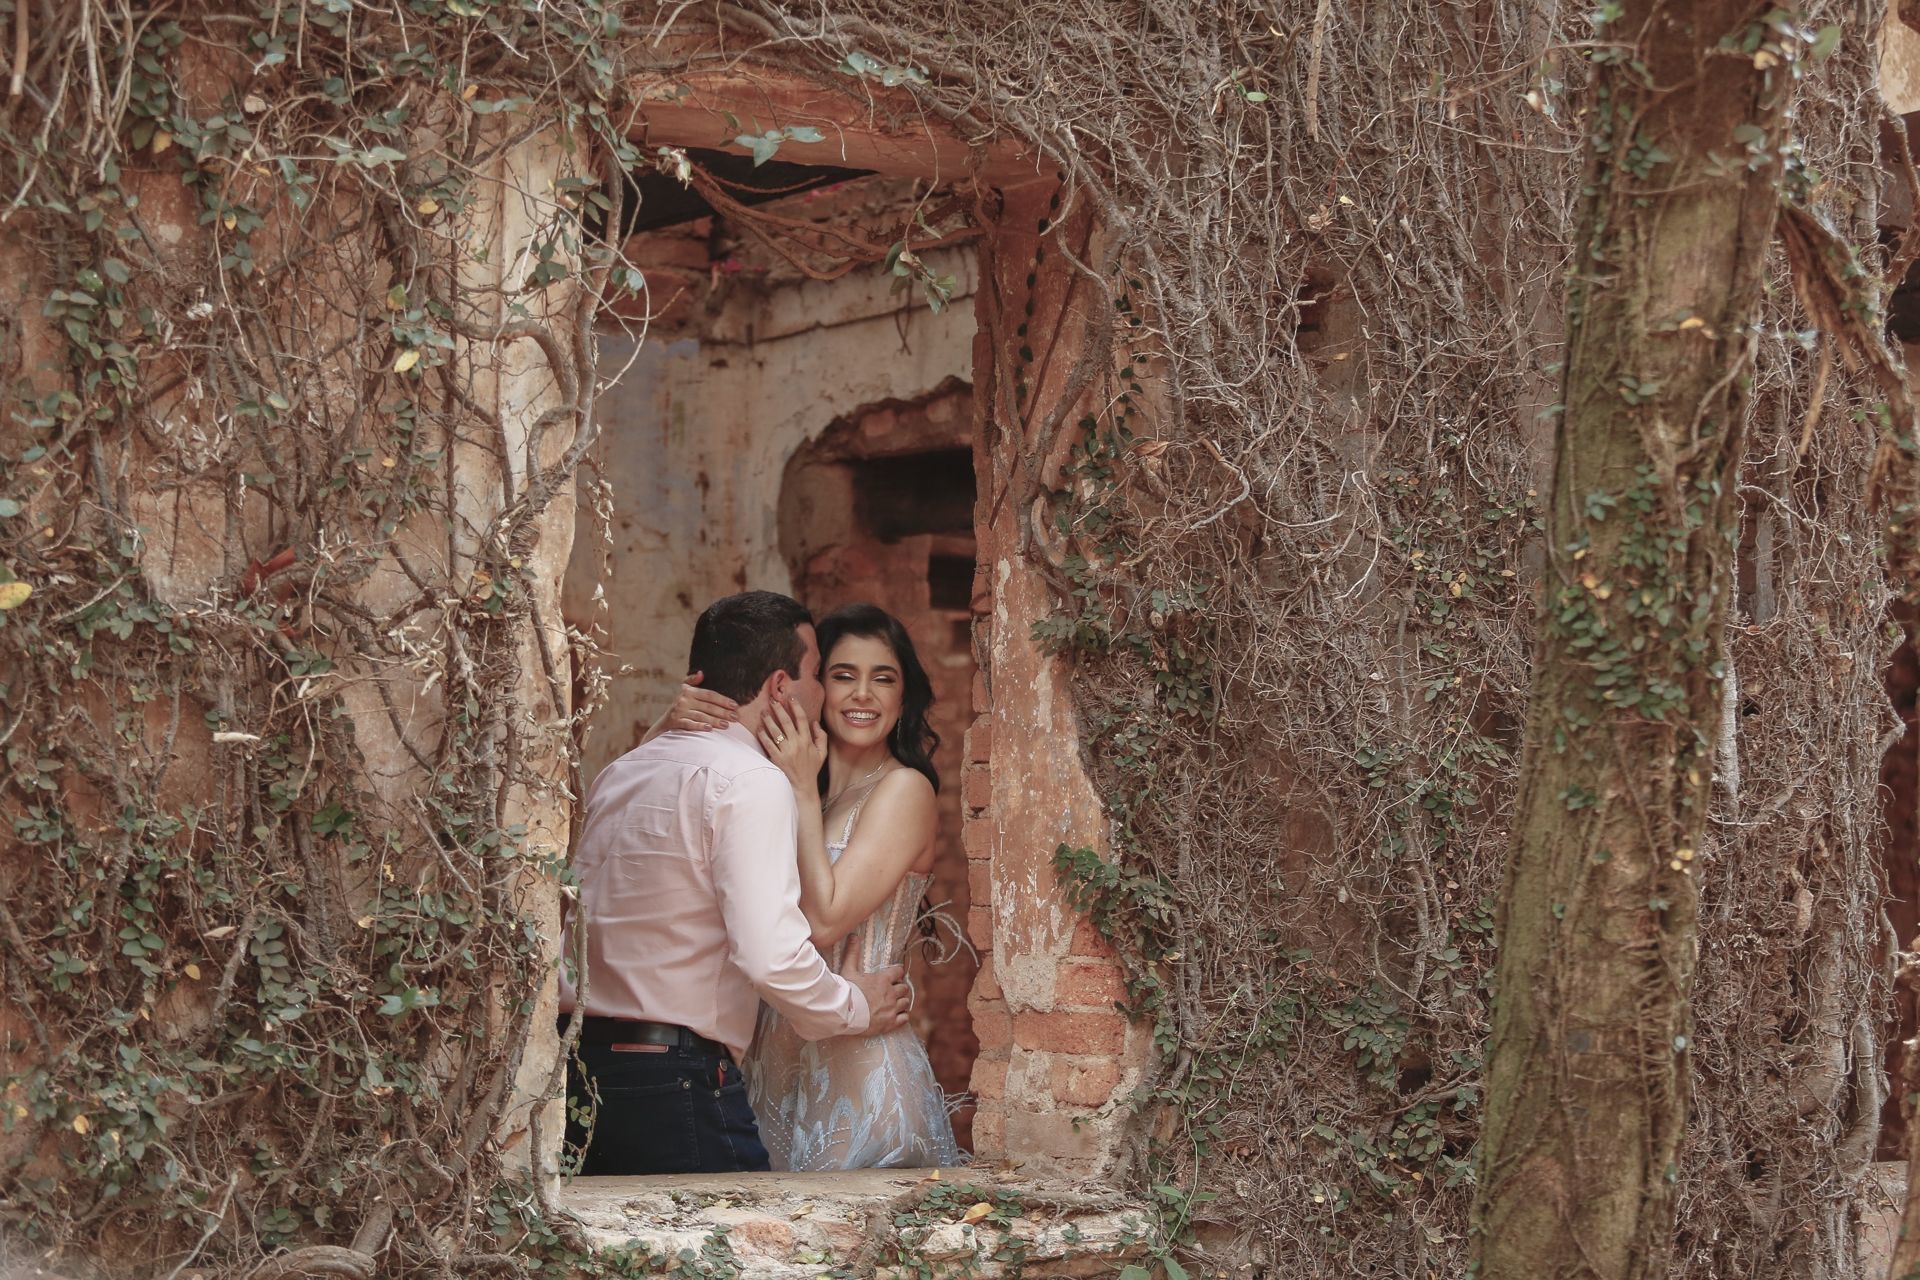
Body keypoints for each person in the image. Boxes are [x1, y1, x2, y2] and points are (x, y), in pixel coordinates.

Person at [558, 591, 914, 1176]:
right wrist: (854, 1006)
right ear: (780, 687)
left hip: (575, 1070)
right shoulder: (750, 781)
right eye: (819, 674)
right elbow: (769, 955)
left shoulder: (621, 771)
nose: (824, 693)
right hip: (672, 1084)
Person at [649, 603, 963, 1170]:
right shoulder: (780, 788)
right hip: (770, 1061)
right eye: (843, 675)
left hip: (861, 1068)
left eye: (883, 678)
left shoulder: (904, 789)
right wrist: (666, 726)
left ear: (903, 696)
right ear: (813, 688)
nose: (863, 695)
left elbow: (825, 920)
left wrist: (796, 785)